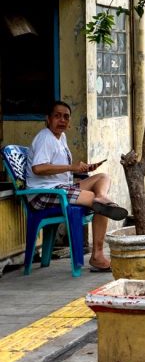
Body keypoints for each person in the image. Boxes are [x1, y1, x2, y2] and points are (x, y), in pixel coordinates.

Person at [26, 101, 128, 271]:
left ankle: (102, 197)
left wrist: (84, 169)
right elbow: (38, 168)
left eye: (66, 117)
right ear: (48, 119)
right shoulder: (45, 138)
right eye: (57, 116)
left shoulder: (61, 137)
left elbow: (59, 170)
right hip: (43, 195)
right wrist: (71, 167)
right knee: (98, 203)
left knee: (102, 177)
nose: (62, 120)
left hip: (60, 187)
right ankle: (97, 256)